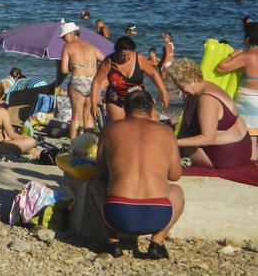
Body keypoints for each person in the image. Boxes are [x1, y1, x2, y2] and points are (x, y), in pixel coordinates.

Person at [92, 90, 184, 259]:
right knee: (177, 191)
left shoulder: (110, 129)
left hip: (117, 214)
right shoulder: (166, 132)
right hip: (158, 215)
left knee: (96, 185)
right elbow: (175, 175)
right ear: (151, 109)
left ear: (125, 108)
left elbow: (101, 173)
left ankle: (112, 241)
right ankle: (157, 242)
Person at [168, 58, 253, 168]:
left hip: (229, 153)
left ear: (193, 79)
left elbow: (208, 138)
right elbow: (184, 129)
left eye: (181, 87)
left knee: (180, 148)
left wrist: (174, 143)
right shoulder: (201, 90)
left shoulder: (207, 99)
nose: (179, 91)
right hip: (240, 148)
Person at [91, 36, 168, 123]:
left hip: (140, 100)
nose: (126, 58)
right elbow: (96, 82)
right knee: (120, 128)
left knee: (151, 123)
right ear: (117, 52)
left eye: (129, 55)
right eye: (122, 56)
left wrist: (164, 93)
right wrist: (93, 103)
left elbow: (154, 74)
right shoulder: (109, 62)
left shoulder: (139, 58)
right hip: (117, 101)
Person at [57, 21, 106, 140]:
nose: (63, 40)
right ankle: (89, 146)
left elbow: (63, 70)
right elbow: (106, 61)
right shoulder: (91, 46)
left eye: (64, 37)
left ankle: (73, 148)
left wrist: (73, 67)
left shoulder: (68, 47)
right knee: (88, 116)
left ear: (70, 34)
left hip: (77, 80)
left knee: (76, 118)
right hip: (92, 81)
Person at [215, 21, 258, 145]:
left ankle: (251, 164)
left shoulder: (247, 56)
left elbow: (221, 68)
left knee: (251, 140)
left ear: (247, 38)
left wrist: (232, 55)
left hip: (249, 101)